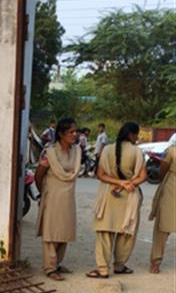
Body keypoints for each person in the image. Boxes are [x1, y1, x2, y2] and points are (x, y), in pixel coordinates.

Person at [86, 121, 146, 279]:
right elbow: (143, 176)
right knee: (126, 232)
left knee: (105, 232)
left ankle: (103, 269)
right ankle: (119, 265)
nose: (137, 137)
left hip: (108, 194)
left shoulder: (107, 149)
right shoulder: (137, 152)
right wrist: (127, 184)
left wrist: (119, 183)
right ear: (131, 135)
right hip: (130, 196)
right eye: (136, 134)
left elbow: (101, 175)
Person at [35, 117, 81, 281]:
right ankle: (50, 267)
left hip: (68, 197)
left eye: (75, 131)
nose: (74, 134)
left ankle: (57, 264)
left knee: (64, 230)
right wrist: (44, 193)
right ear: (61, 134)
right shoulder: (50, 152)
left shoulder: (76, 151)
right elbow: (38, 175)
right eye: (71, 132)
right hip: (53, 196)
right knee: (51, 231)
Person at [148, 143, 176, 273]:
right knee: (163, 226)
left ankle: (156, 262)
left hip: (171, 188)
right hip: (171, 189)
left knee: (162, 227)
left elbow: (162, 172)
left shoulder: (172, 151)